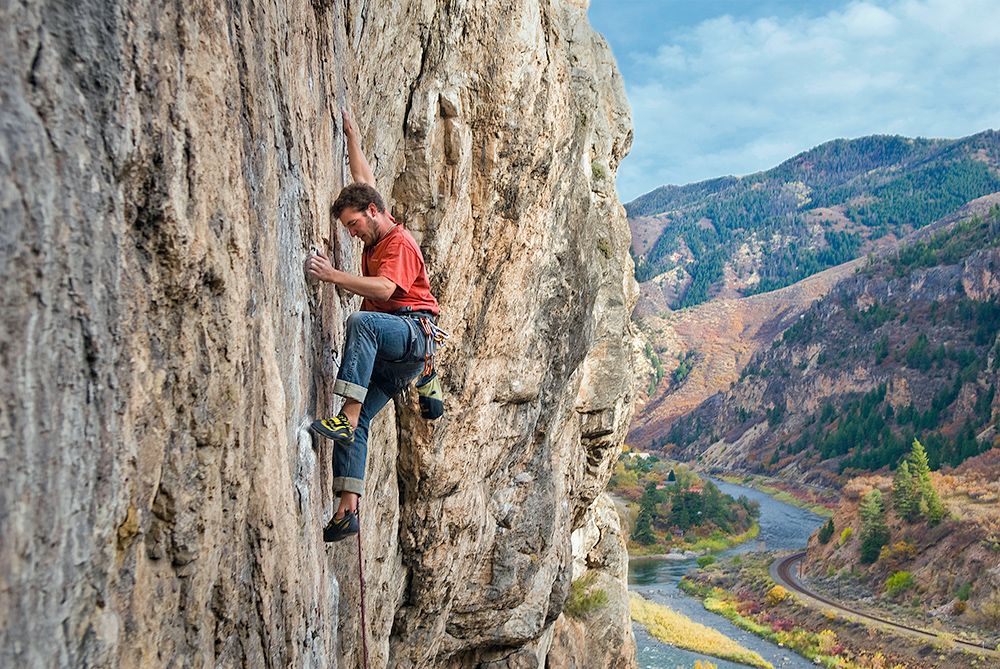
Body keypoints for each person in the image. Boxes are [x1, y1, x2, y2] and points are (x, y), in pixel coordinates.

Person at [305, 109, 439, 542]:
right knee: (358, 425)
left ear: (374, 213)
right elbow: (363, 179)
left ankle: (345, 414)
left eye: (353, 224)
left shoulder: (398, 242)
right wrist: (352, 136)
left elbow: (383, 290)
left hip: (411, 334)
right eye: (345, 227)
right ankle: (347, 510)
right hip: (393, 356)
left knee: (361, 321)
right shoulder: (376, 225)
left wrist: (332, 276)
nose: (350, 233)